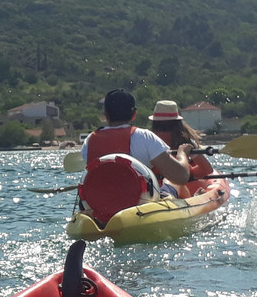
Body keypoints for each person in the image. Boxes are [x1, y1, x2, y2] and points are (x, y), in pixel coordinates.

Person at [78, 90, 191, 218]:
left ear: (106, 114)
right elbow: (181, 177)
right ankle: (194, 201)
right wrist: (182, 154)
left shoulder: (89, 141)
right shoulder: (144, 137)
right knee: (170, 182)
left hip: (99, 209)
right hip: (139, 209)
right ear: (134, 114)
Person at [148, 100, 214, 196]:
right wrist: (192, 150)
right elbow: (207, 170)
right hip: (177, 183)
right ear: (178, 124)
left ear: (154, 124)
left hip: (151, 188)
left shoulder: (147, 139)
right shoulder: (184, 142)